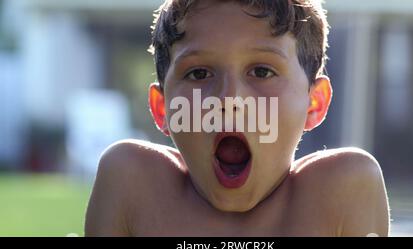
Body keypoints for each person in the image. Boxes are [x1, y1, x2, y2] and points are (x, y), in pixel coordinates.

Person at [85, 0, 390, 236]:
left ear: (314, 103)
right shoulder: (132, 184)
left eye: (261, 71)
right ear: (163, 109)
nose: (229, 99)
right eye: (199, 73)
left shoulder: (343, 191)